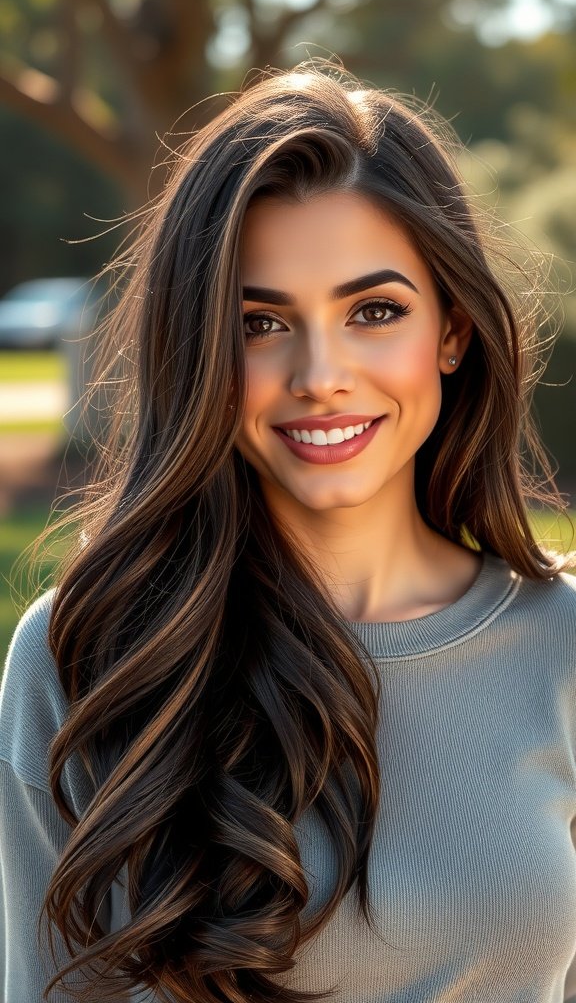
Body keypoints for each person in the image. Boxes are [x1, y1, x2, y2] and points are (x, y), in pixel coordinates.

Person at [1, 60, 575, 1003]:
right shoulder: (86, 661)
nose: (321, 374)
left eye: (375, 311)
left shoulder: (564, 646)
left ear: (454, 329)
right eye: (261, 321)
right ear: (201, 349)